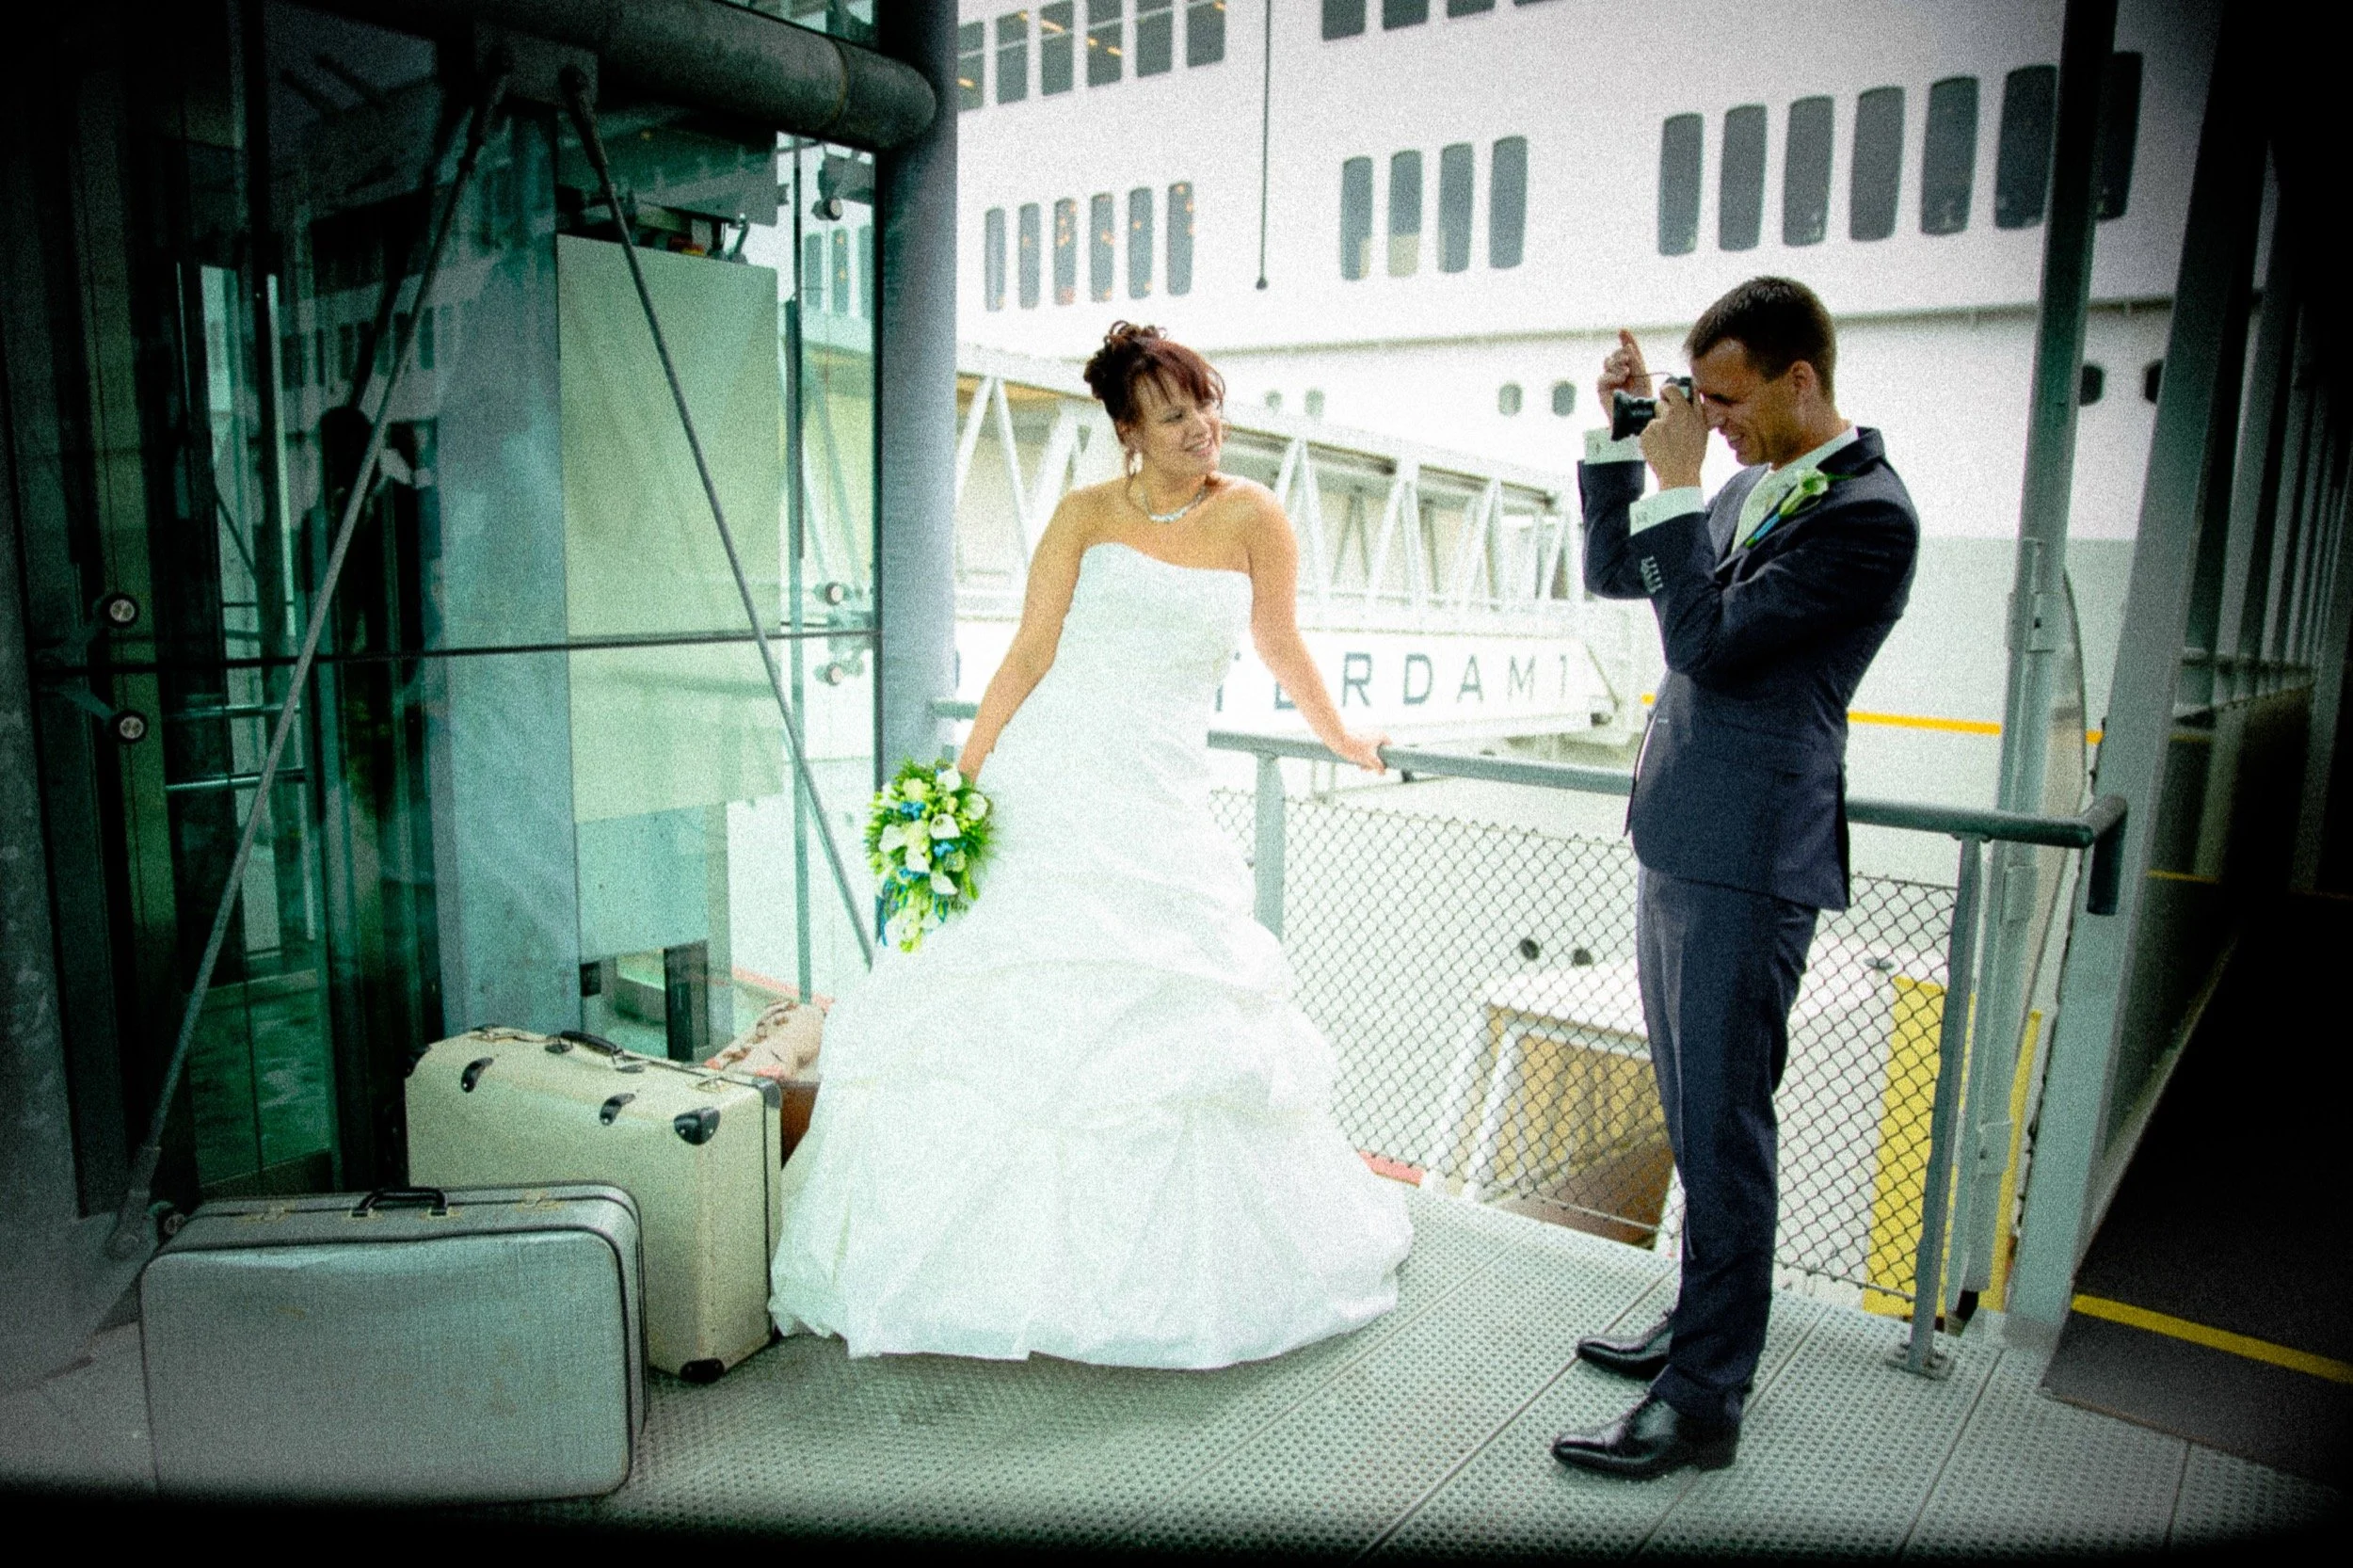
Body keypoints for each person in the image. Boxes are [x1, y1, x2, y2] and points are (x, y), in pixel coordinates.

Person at [768, 322, 1413, 1368]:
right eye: (1171, 413)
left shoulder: (1254, 515)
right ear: (1127, 430)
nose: (1199, 425)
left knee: (1171, 1023)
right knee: (998, 1017)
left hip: (1157, 795)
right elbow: (1029, 652)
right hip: (1048, 779)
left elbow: (1280, 641)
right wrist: (960, 783)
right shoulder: (1081, 513)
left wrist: (1344, 736)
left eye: (1203, 400)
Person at [1551, 278, 1918, 1479]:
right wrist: (1622, 441)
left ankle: (1704, 1399)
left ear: (1796, 379)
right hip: (1682, 836)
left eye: (1722, 399)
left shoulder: (1867, 516)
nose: (1706, 422)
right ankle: (1693, 1326)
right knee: (1697, 1115)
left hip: (1752, 861)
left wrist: (1671, 485)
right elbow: (1624, 576)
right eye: (1692, 399)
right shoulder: (1758, 487)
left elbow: (1699, 636)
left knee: (1727, 1129)